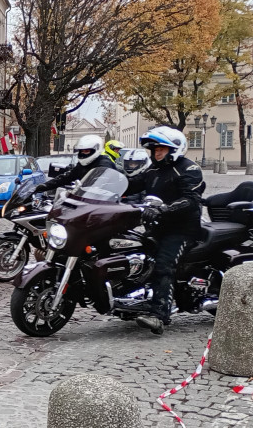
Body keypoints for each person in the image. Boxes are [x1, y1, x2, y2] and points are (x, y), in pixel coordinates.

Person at [128, 126, 205, 335]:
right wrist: (105, 189)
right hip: (157, 227)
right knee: (134, 255)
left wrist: (163, 208)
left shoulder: (189, 169)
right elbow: (131, 185)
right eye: (154, 149)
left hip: (182, 229)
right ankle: (133, 301)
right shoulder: (153, 170)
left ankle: (159, 315)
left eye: (162, 149)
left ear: (174, 149)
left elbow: (191, 199)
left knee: (164, 264)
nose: (157, 153)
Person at [33, 134, 115, 194]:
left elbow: (101, 186)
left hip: (103, 204)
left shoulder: (104, 165)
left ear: (96, 149)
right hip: (86, 201)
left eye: (86, 151)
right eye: (81, 151)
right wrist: (45, 186)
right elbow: (67, 176)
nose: (83, 153)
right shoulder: (82, 165)